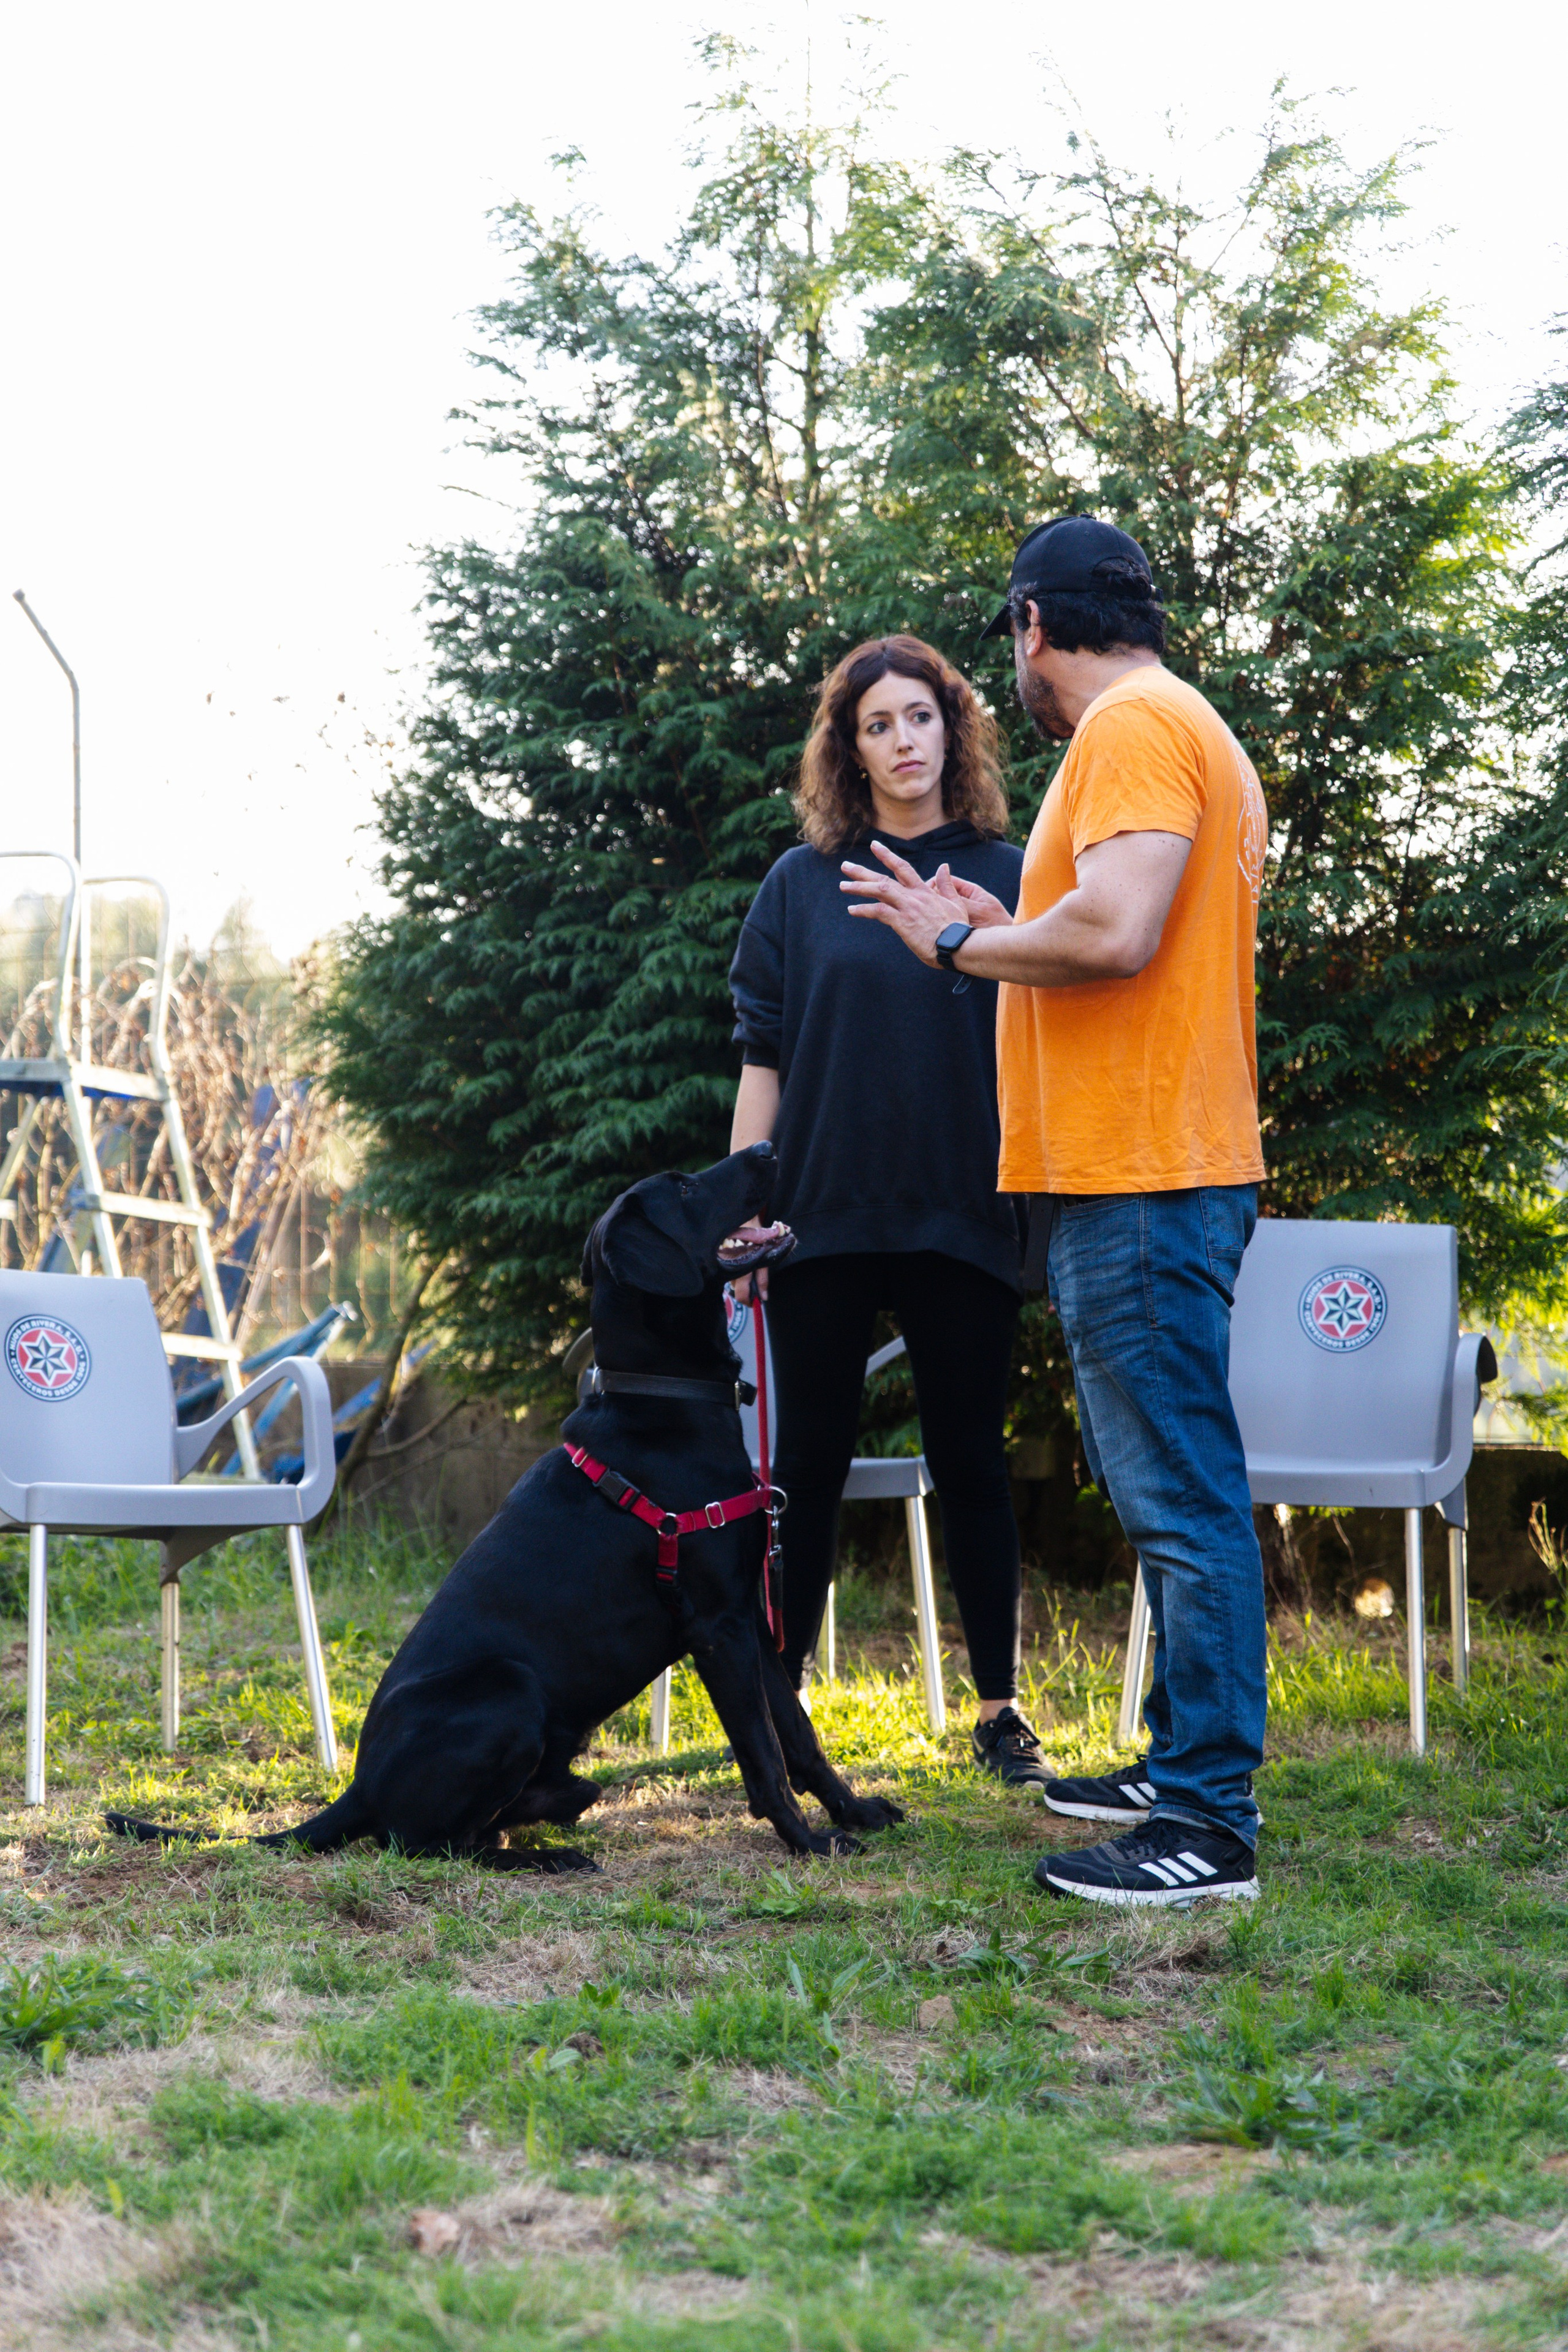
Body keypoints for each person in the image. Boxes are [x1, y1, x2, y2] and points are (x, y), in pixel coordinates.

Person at [840, 517, 1269, 1908]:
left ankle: (1203, 1822)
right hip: (1146, 1167)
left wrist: (959, 939)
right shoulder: (1179, 719)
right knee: (1169, 1495)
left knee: (1179, 1499)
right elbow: (1095, 921)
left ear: (1031, 625)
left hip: (1145, 1173)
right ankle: (1178, 1766)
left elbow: (1117, 930)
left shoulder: (1130, 728)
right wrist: (1003, 911)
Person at [727, 634, 1049, 1789]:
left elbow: (1052, 1033)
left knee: (970, 1457)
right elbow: (762, 1060)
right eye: (878, 725)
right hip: (819, 1211)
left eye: (920, 717)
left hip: (964, 1204)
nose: (903, 741)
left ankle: (1002, 1713)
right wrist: (747, 1208)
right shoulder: (798, 886)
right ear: (848, 749)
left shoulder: (1012, 874)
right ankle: (779, 1703)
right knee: (806, 1463)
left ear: (952, 731)